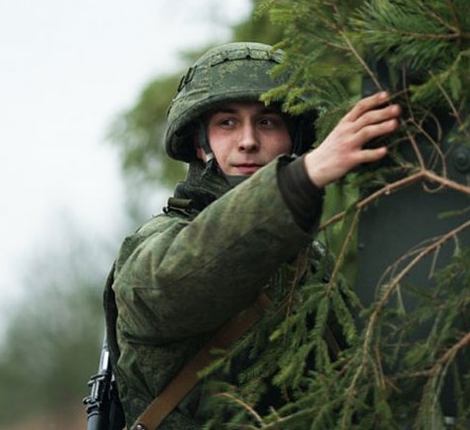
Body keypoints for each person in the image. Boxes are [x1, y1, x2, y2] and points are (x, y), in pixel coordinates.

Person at [107, 42, 401, 429]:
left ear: (292, 139)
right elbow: (175, 283)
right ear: (200, 143)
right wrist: (301, 179)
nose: (248, 140)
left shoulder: (309, 261)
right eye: (227, 123)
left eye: (267, 122)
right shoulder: (155, 245)